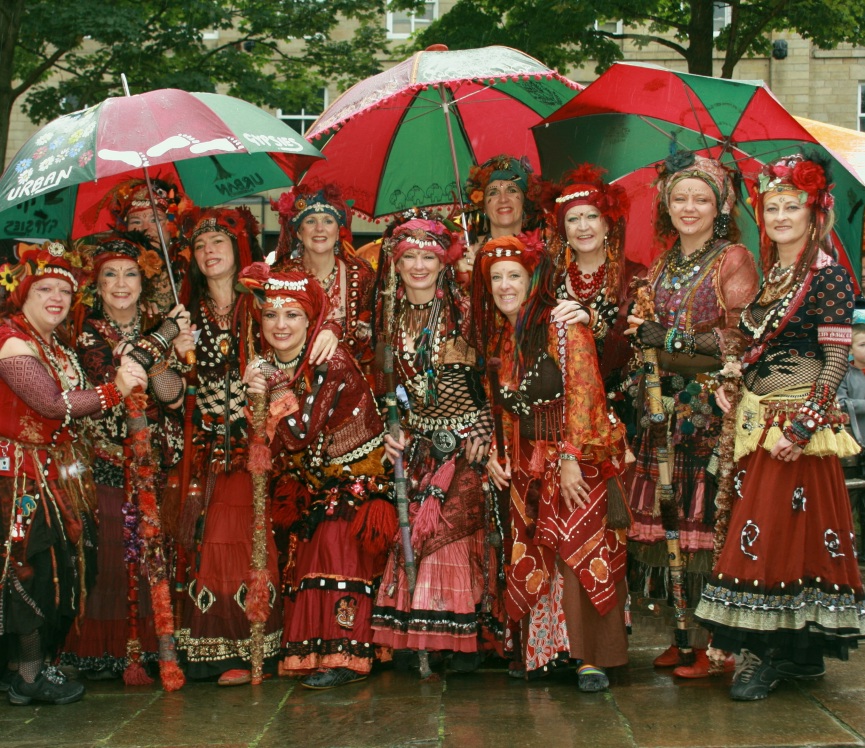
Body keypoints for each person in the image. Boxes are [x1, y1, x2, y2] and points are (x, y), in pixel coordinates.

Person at [695, 153, 865, 700]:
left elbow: (835, 359)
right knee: (784, 535)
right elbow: (752, 349)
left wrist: (804, 424)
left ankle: (766, 654)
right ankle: (797, 655)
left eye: (793, 206)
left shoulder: (829, 275)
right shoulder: (776, 278)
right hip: (756, 422)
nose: (781, 216)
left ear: (816, 213)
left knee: (773, 537)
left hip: (794, 426)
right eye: (772, 208)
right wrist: (727, 380)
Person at [472, 233, 631, 690]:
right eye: (496, 278)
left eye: (513, 277)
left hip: (575, 457)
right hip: (524, 461)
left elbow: (585, 393)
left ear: (531, 279)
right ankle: (549, 651)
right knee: (539, 554)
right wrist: (497, 459)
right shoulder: (501, 336)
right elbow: (501, 405)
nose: (504, 285)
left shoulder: (563, 325)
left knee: (579, 553)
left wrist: (570, 459)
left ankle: (590, 658)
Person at [625, 150, 759, 677]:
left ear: (719, 206)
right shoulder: (660, 264)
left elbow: (738, 337)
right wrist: (642, 334)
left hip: (707, 414)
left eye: (700, 198)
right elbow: (646, 334)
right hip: (662, 414)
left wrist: (670, 340)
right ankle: (682, 635)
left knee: (704, 526)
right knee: (670, 523)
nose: (688, 206)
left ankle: (710, 643)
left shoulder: (734, 259)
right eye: (679, 197)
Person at [0, 241, 146, 705]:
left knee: (54, 571)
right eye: (44, 288)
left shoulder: (53, 343)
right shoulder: (11, 340)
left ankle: (29, 669)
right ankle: (26, 677)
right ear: (22, 294)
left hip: (51, 475)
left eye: (63, 290)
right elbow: (50, 404)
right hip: (17, 479)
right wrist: (115, 390)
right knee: (27, 571)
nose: (56, 298)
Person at [239, 263, 394, 689]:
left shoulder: (331, 358)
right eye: (271, 314)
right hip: (315, 480)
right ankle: (317, 649)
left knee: (332, 546)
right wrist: (256, 391)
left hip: (354, 481)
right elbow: (266, 441)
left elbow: (298, 433)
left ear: (311, 321)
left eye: (293, 315)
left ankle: (345, 654)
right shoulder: (273, 362)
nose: (280, 324)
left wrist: (266, 390)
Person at [371, 216, 501, 672]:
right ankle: (422, 640)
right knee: (413, 532)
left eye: (429, 257)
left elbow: (493, 377)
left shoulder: (465, 310)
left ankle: (460, 641)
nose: (419, 266)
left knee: (447, 533)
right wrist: (398, 431)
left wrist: (485, 430)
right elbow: (397, 391)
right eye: (410, 257)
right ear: (397, 262)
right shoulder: (389, 313)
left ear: (442, 262)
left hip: (468, 446)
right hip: (421, 447)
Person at [61, 233, 192, 680]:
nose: (121, 283)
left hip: (156, 460)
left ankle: (157, 649)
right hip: (108, 459)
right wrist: (167, 335)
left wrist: (158, 347)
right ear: (96, 286)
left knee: (155, 554)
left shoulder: (158, 323)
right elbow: (113, 382)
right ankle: (108, 653)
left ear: (143, 280)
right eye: (110, 275)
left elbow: (171, 397)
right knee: (115, 556)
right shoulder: (84, 331)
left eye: (130, 274)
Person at [174, 207, 286, 685]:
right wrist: (175, 356)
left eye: (218, 242)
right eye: (200, 246)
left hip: (255, 443)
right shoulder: (186, 315)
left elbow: (291, 353)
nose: (208, 252)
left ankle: (248, 648)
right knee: (207, 537)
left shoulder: (261, 302)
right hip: (205, 449)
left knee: (241, 534)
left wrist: (270, 377)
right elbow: (173, 396)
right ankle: (211, 647)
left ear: (239, 248)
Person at [546, 164, 646, 435]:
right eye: (572, 219)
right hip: (559, 412)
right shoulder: (548, 281)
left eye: (592, 216)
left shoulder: (634, 277)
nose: (583, 227)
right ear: (562, 228)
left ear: (606, 223)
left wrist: (595, 322)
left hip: (618, 409)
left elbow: (633, 349)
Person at [271, 182, 375, 366]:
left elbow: (370, 338)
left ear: (338, 232)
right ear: (300, 233)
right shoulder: (281, 276)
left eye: (328, 221)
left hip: (349, 382)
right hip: (294, 378)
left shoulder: (361, 274)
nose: (319, 228)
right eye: (310, 221)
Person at [83, 178, 192, 316]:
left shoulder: (190, 262)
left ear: (172, 223)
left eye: (155, 220)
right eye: (136, 221)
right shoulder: (109, 265)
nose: (146, 228)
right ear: (126, 228)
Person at [461, 154, 544, 270]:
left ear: (525, 200)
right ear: (483, 206)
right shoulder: (467, 255)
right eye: (493, 193)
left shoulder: (544, 253)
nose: (503, 199)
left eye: (511, 190)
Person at [837, 303, 865, 448]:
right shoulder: (844, 373)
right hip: (856, 435)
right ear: (850, 350)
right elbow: (840, 403)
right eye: (863, 345)